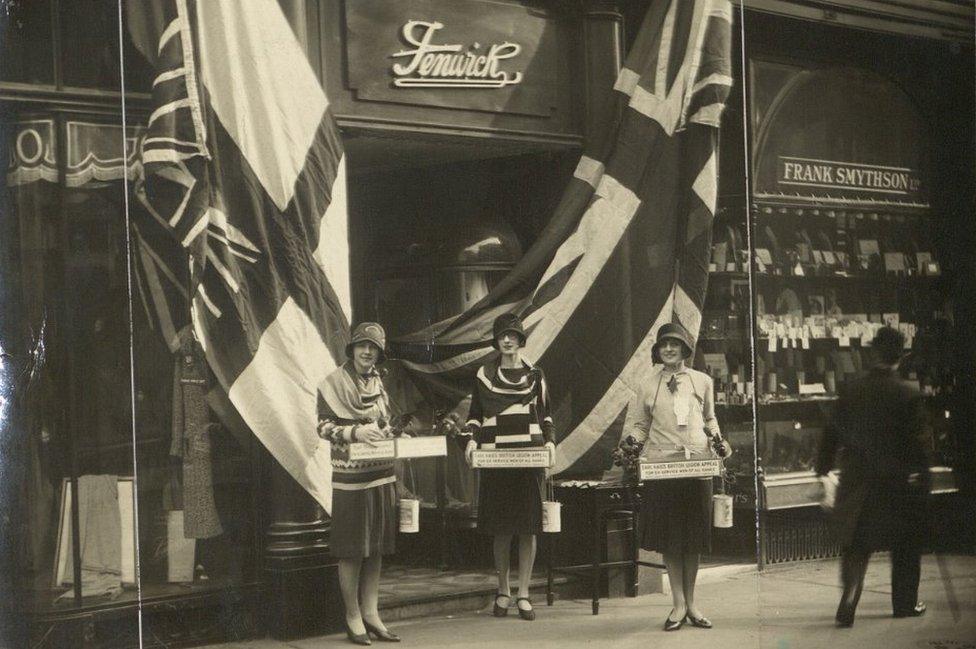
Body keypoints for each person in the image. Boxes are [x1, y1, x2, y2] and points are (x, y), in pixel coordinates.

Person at [815, 326, 930, 628]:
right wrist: (925, 481)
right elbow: (919, 446)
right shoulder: (908, 393)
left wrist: (823, 467)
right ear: (901, 356)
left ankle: (850, 598)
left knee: (856, 544)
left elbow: (831, 432)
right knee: (906, 544)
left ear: (873, 352)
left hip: (858, 480)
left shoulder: (852, 389)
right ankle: (905, 603)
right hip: (896, 484)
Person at [624, 322, 730, 631]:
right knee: (671, 539)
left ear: (685, 349)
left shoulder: (702, 381)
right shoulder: (647, 385)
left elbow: (710, 419)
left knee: (694, 538)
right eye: (663, 345)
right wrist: (630, 446)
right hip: (663, 468)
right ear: (657, 351)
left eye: (675, 344)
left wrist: (719, 440)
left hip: (696, 466)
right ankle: (678, 604)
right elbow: (640, 426)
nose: (669, 349)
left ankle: (693, 604)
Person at [463, 313, 556, 621]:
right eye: (503, 335)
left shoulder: (537, 375)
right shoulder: (484, 375)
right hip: (495, 456)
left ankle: (525, 593)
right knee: (501, 528)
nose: (507, 340)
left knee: (528, 528)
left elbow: (546, 416)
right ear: (496, 340)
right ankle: (503, 590)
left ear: (520, 340)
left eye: (513, 335)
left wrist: (551, 443)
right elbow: (474, 415)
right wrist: (472, 441)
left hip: (528, 456)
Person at [318, 323, 401, 645]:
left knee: (376, 547)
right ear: (351, 350)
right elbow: (323, 427)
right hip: (351, 476)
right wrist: (355, 433)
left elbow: (385, 422)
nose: (367, 352)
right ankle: (352, 616)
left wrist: (395, 433)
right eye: (362, 346)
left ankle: (371, 613)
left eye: (374, 348)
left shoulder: (379, 382)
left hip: (381, 472)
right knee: (352, 549)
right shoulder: (332, 383)